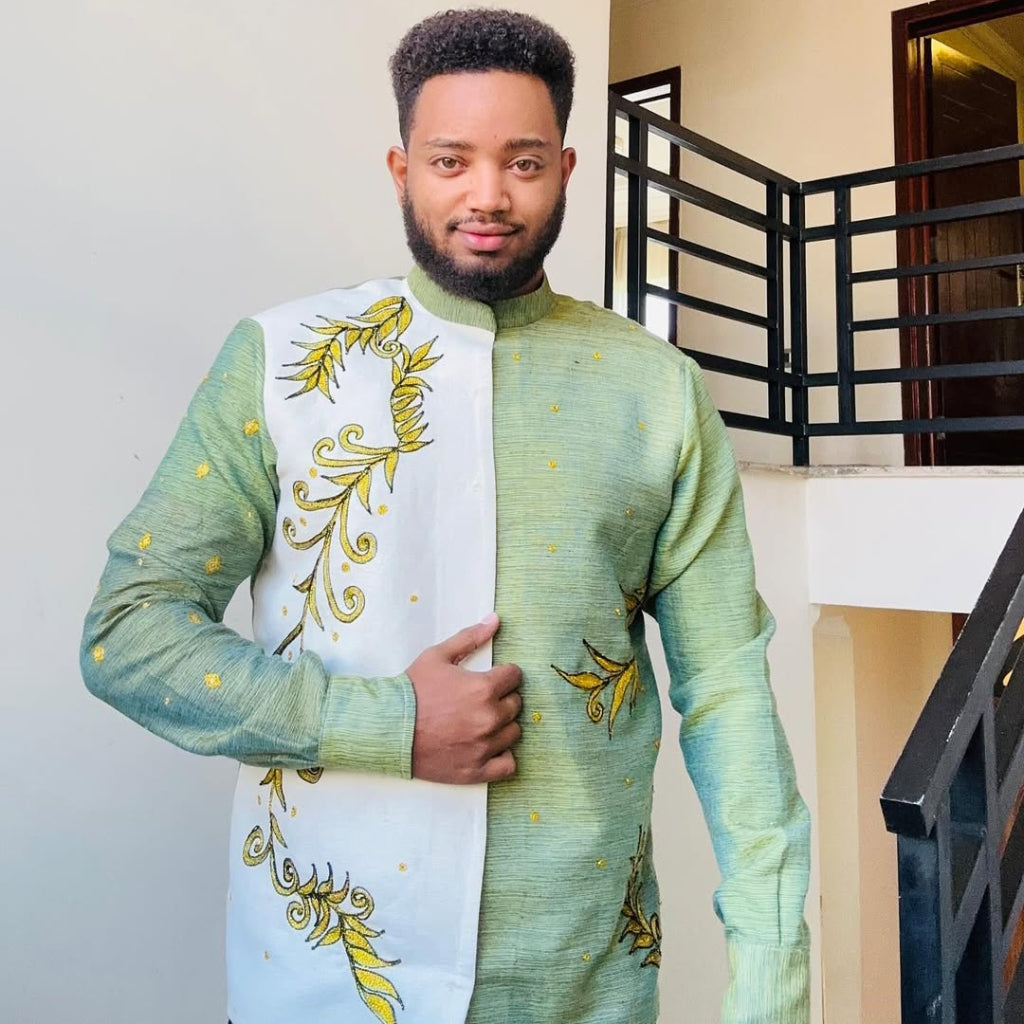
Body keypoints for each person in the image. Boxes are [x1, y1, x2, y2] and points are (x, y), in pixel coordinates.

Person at [81, 9, 810, 1024]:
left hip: (579, 984)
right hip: (319, 983)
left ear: (565, 168)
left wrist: (772, 976)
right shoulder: (283, 362)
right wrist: (392, 724)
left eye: (523, 163)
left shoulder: (658, 390)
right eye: (450, 160)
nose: (487, 196)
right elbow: (127, 634)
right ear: (401, 169)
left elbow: (727, 686)